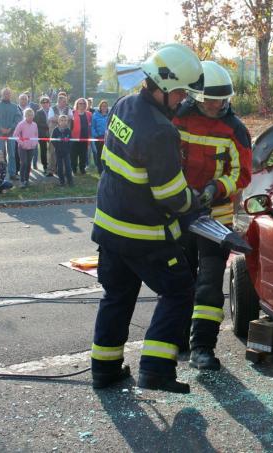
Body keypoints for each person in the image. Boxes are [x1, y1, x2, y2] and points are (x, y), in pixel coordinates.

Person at [90, 42, 203, 394]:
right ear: (164, 87)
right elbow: (170, 194)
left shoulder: (124, 105)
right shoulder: (160, 130)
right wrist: (195, 202)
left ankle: (105, 371)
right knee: (181, 291)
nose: (184, 99)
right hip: (143, 235)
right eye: (181, 91)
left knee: (118, 295)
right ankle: (155, 370)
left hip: (109, 227)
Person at [172, 60, 253, 370]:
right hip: (180, 214)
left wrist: (216, 188)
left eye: (220, 99)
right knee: (180, 282)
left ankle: (203, 348)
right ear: (195, 96)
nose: (215, 105)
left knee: (208, 284)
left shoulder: (235, 129)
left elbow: (242, 175)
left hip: (216, 220)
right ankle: (176, 341)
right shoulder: (179, 119)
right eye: (209, 99)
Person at [0, 88, 22, 181]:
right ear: (1, 95)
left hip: (11, 133)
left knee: (12, 154)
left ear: (10, 95)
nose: (6, 95)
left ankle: (12, 173)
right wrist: (0, 127)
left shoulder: (14, 106)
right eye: (5, 94)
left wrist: (10, 128)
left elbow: (18, 118)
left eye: (8, 94)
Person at [46, 94, 73, 177]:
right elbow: (50, 118)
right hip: (54, 133)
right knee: (52, 151)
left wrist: (57, 118)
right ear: (58, 101)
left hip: (65, 134)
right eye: (63, 101)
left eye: (65, 101)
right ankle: (51, 169)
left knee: (65, 151)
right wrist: (63, 119)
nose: (65, 103)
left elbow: (71, 117)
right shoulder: (52, 108)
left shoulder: (68, 109)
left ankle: (63, 170)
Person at [13, 108, 39, 188]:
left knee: (28, 164)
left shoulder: (35, 124)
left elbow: (36, 135)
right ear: (25, 116)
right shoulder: (21, 124)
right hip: (22, 148)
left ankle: (27, 180)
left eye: (31, 115)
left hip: (31, 147)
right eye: (28, 115)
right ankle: (22, 181)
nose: (30, 117)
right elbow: (15, 135)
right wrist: (22, 143)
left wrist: (34, 143)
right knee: (23, 163)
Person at [51, 114, 74, 187]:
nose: (63, 122)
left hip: (66, 152)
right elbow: (53, 140)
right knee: (60, 167)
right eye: (61, 120)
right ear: (58, 121)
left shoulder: (68, 130)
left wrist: (68, 148)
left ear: (67, 122)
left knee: (68, 167)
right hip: (58, 152)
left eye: (65, 120)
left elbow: (71, 140)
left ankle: (70, 181)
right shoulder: (55, 130)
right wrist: (57, 147)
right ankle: (62, 181)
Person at [71, 98, 92, 175]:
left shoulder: (89, 114)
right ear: (77, 104)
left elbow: (90, 126)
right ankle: (74, 169)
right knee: (73, 155)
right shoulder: (72, 113)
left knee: (83, 154)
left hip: (85, 137)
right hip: (74, 137)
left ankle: (82, 168)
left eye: (83, 103)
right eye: (80, 103)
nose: (82, 105)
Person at [90, 99, 109, 174]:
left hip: (108, 138)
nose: (104, 107)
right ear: (100, 107)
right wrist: (96, 135)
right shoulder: (95, 115)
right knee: (99, 154)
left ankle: (106, 170)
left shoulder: (110, 115)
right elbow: (92, 127)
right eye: (102, 106)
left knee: (107, 155)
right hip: (99, 138)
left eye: (105, 106)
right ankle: (100, 170)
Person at [34, 96, 52, 174]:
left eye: (46, 102)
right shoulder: (38, 112)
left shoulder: (52, 110)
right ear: (41, 104)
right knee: (43, 150)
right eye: (43, 102)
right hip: (42, 133)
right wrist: (47, 125)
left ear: (49, 103)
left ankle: (52, 165)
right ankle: (45, 166)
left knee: (52, 150)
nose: (45, 104)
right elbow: (37, 123)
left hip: (52, 132)